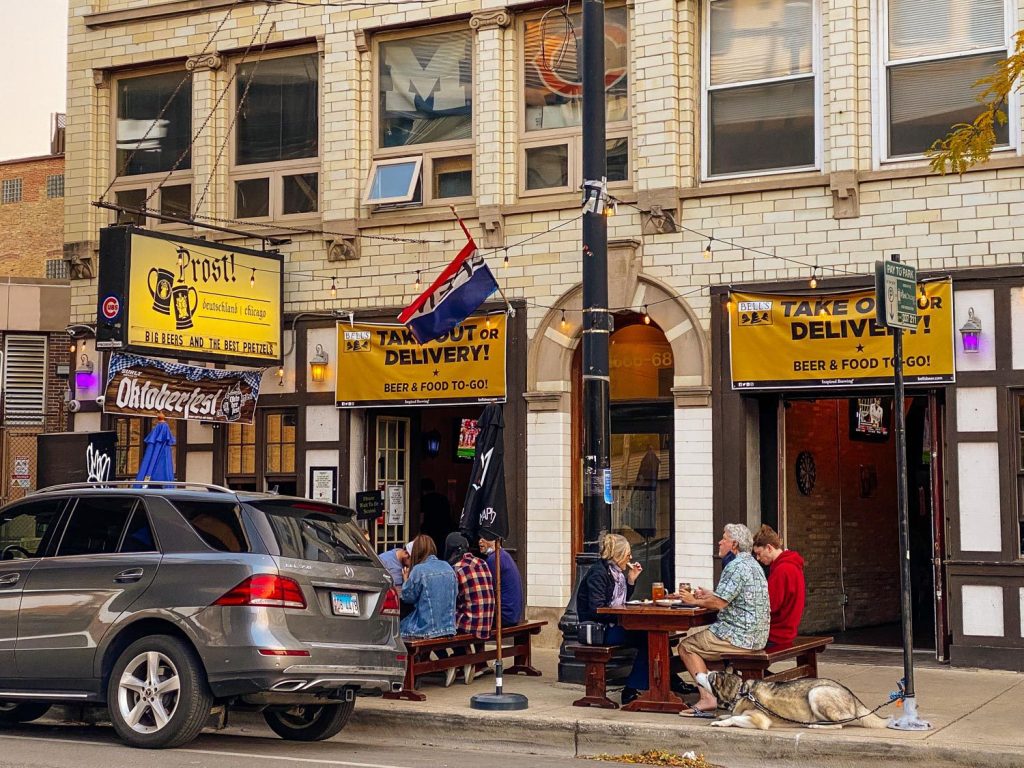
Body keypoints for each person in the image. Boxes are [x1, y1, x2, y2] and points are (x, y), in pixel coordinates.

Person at [676, 523, 769, 717]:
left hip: (739, 636)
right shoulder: (752, 564)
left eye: (724, 538)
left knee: (686, 646)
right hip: (757, 634)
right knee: (706, 648)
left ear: (734, 544)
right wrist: (708, 594)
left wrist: (693, 600)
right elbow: (730, 596)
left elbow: (719, 603)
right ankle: (721, 693)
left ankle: (707, 698)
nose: (720, 541)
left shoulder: (735, 566)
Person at [576, 533, 649, 705]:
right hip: (599, 629)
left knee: (657, 635)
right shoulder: (599, 573)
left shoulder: (617, 574)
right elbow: (597, 609)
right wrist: (623, 616)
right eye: (628, 554)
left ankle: (667, 682)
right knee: (649, 638)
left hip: (612, 624)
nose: (630, 558)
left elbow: (620, 601)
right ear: (618, 555)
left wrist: (631, 580)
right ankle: (631, 689)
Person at [445, 532, 496, 684]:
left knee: (444, 620)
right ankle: (479, 660)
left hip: (471, 623)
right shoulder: (482, 562)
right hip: (487, 620)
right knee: (472, 608)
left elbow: (450, 599)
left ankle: (464, 656)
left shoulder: (456, 568)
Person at [753, 524, 806, 650]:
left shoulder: (781, 570)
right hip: (788, 630)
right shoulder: (792, 565)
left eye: (759, 553)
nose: (758, 558)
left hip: (776, 633)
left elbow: (769, 605)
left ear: (769, 548)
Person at [400, 534, 457, 641]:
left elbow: (407, 597)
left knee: (396, 630)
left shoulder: (419, 570)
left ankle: (419, 658)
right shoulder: (447, 566)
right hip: (448, 627)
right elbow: (455, 593)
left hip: (425, 628)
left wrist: (405, 580)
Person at [479, 534, 524, 626]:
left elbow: (488, 592)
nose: (480, 541)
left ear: (495, 541)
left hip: (504, 616)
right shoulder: (503, 555)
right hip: (513, 614)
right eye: (480, 538)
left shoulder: (494, 559)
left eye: (485, 538)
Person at [420, 478, 454, 555]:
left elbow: (421, 518)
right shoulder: (443, 498)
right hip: (444, 529)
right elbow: (450, 514)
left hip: (430, 529)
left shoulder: (424, 500)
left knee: (429, 550)